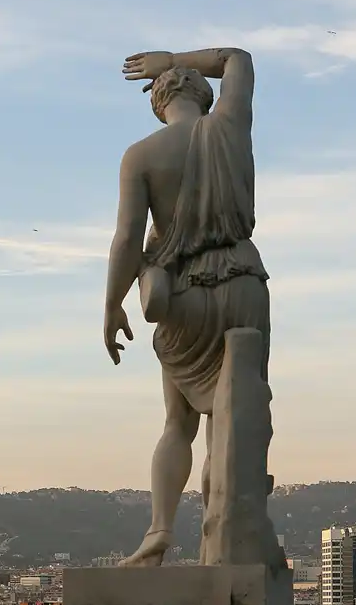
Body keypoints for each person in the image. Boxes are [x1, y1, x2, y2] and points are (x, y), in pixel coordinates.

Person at [104, 47, 278, 566]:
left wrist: (112, 304)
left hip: (183, 295)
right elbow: (238, 58)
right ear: (204, 95)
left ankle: (160, 529)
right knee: (239, 413)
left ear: (159, 103)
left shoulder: (141, 155)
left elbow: (128, 239)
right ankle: (226, 531)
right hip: (245, 281)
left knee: (179, 424)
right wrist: (174, 57)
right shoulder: (229, 125)